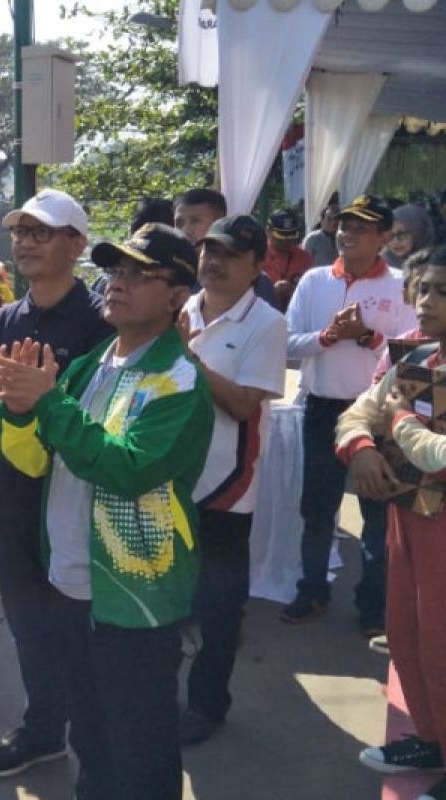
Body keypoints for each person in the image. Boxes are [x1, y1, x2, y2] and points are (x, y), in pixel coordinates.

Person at [0, 222, 214, 800]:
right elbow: (28, 462)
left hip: (135, 594)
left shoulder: (178, 380)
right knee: (93, 738)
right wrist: (19, 410)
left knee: (141, 745)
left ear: (178, 295)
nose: (118, 284)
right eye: (115, 272)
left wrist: (48, 402)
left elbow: (125, 470)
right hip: (72, 585)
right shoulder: (91, 365)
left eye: (139, 274)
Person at [0, 188, 113, 779]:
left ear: (77, 244)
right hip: (15, 497)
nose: (24, 242)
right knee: (27, 621)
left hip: (77, 499)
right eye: (20, 232)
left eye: (41, 232)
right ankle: (44, 728)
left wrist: (44, 402)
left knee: (80, 627)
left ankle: (97, 738)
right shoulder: (3, 319)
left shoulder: (102, 322)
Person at [337, 246, 446, 800]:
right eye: (422, 289)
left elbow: (437, 454)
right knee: (407, 633)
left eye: (441, 293)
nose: (425, 302)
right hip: (408, 516)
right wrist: (360, 448)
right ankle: (431, 738)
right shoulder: (416, 358)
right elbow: (358, 410)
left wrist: (397, 420)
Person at [175, 215, 288, 745]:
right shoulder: (185, 308)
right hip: (172, 480)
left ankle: (207, 706)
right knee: (172, 600)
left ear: (256, 267)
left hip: (225, 488)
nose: (214, 261)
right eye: (209, 250)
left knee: (219, 609)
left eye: (231, 254)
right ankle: (162, 693)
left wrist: (188, 359)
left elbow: (245, 405)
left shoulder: (266, 323)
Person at [281, 195, 417, 631]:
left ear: (383, 238)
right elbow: (286, 344)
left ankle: (373, 606)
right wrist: (325, 338)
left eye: (361, 228)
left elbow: (414, 358)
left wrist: (367, 338)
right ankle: (312, 590)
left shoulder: (401, 284)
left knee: (377, 515)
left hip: (376, 416)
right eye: (344, 225)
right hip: (321, 409)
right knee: (317, 509)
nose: (347, 233)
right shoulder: (315, 280)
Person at [173, 188, 280, 309]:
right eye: (179, 223)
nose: (186, 230)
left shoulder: (251, 280)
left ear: (219, 224)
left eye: (195, 221)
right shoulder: (168, 276)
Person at [262, 208, 313, 311]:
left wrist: (296, 291)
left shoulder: (304, 257)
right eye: (282, 235)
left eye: (291, 235)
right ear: (268, 231)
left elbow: (312, 291)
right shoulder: (256, 255)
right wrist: (271, 293)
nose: (287, 239)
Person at [385, 203, 436, 269]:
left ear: (419, 231)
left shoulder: (439, 266)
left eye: (401, 234)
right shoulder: (383, 267)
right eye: (390, 235)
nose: (395, 242)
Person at [302, 201, 340, 268]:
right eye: (329, 219)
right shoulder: (312, 239)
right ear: (322, 221)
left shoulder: (343, 238)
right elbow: (303, 262)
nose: (334, 222)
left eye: (336, 219)